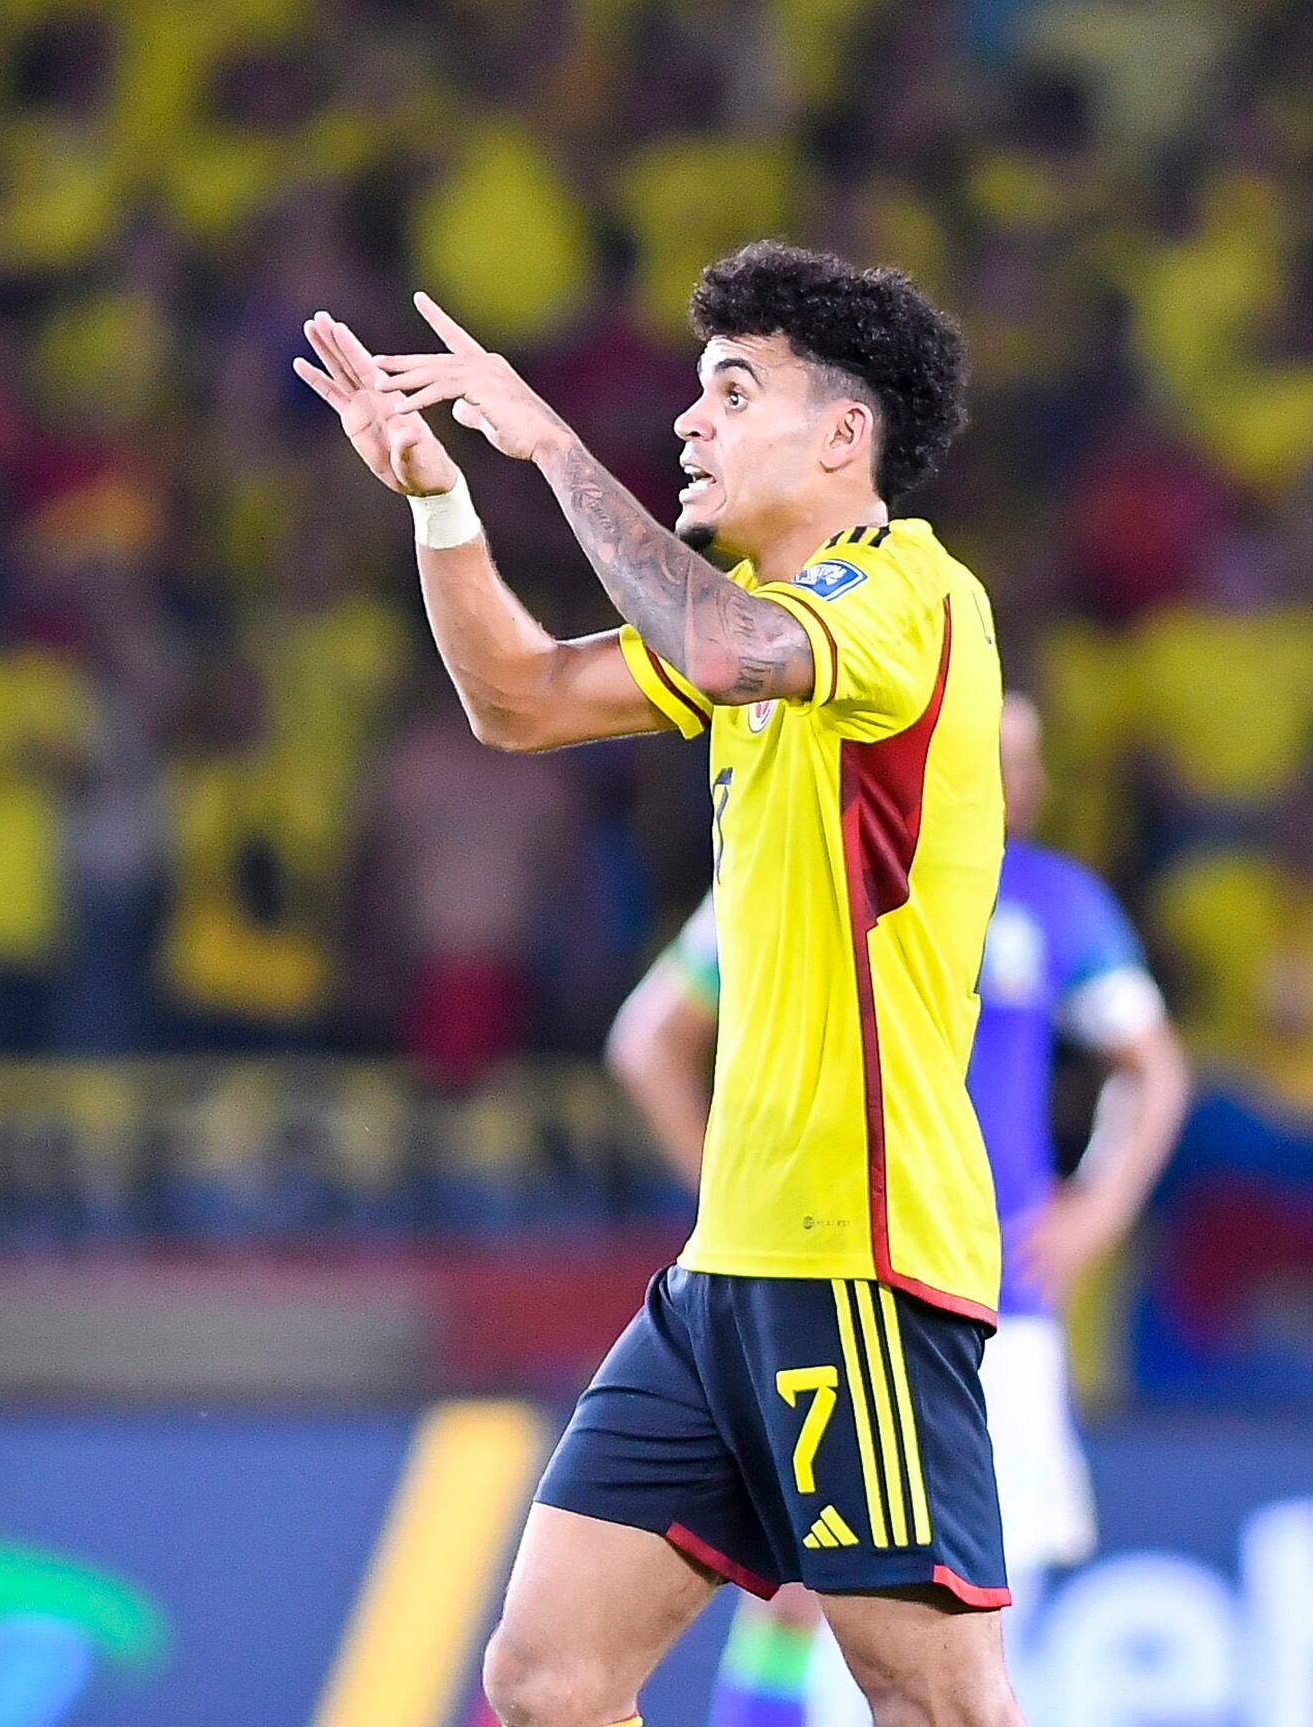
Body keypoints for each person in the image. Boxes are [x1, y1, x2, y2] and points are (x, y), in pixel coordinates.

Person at [299, 240, 1016, 1727]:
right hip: (727, 1269)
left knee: (939, 1704)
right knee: (550, 1678)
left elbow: (727, 640)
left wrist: (549, 441)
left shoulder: (902, 596)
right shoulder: (765, 626)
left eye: (731, 392)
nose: (691, 422)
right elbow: (521, 700)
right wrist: (443, 498)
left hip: (857, 1256)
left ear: (844, 437)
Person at [610, 691, 1192, 1727]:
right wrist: (741, 1191)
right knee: (795, 1587)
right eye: (995, 752)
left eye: (1027, 758)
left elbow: (1151, 1067)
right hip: (827, 1277)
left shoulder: (1052, 901)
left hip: (991, 1295)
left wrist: (1098, 1206)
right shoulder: (810, 861)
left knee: (974, 1614)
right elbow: (651, 1035)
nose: (1016, 779)